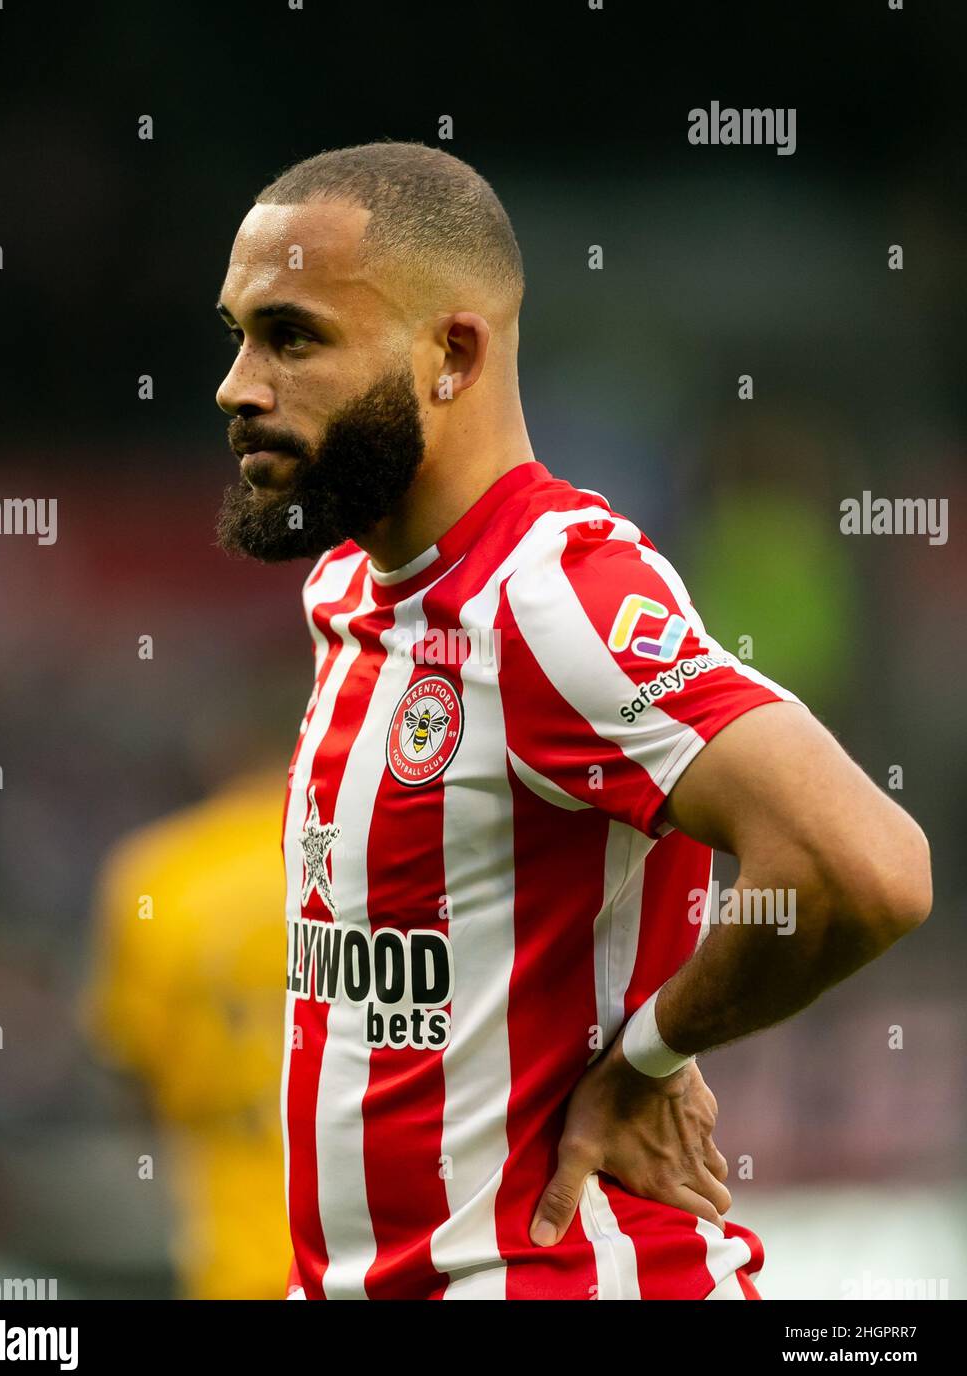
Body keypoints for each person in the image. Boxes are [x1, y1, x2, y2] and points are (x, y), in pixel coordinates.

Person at [212, 141, 932, 1300]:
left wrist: (646, 1055)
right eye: (239, 334)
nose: (238, 383)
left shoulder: (551, 594)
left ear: (450, 353)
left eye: (293, 337)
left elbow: (866, 865)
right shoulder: (354, 594)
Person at [80, 769, 293, 1299]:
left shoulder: (158, 871)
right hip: (384, 1254)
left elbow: (126, 1063)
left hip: (234, 1261)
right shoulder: (378, 851)